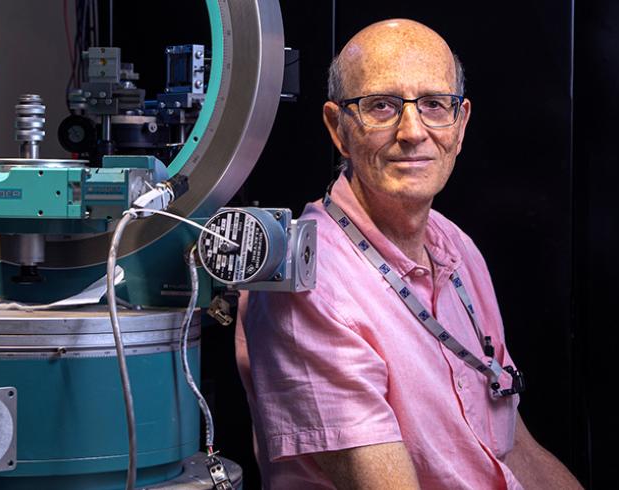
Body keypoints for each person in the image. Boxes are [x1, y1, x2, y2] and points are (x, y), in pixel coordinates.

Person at [235, 19, 583, 489]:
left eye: (435, 105)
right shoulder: (310, 283)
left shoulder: (456, 248)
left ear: (459, 127)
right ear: (338, 129)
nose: (413, 132)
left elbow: (510, 443)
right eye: (382, 106)